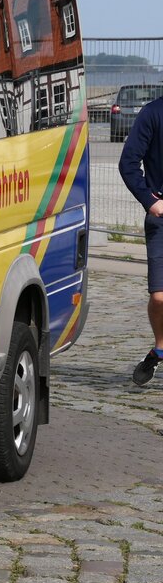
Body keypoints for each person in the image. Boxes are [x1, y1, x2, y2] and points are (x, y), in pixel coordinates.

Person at [118, 91, 163, 384]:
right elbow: (128, 163)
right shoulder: (151, 113)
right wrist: (150, 201)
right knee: (159, 297)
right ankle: (159, 349)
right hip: (160, 218)